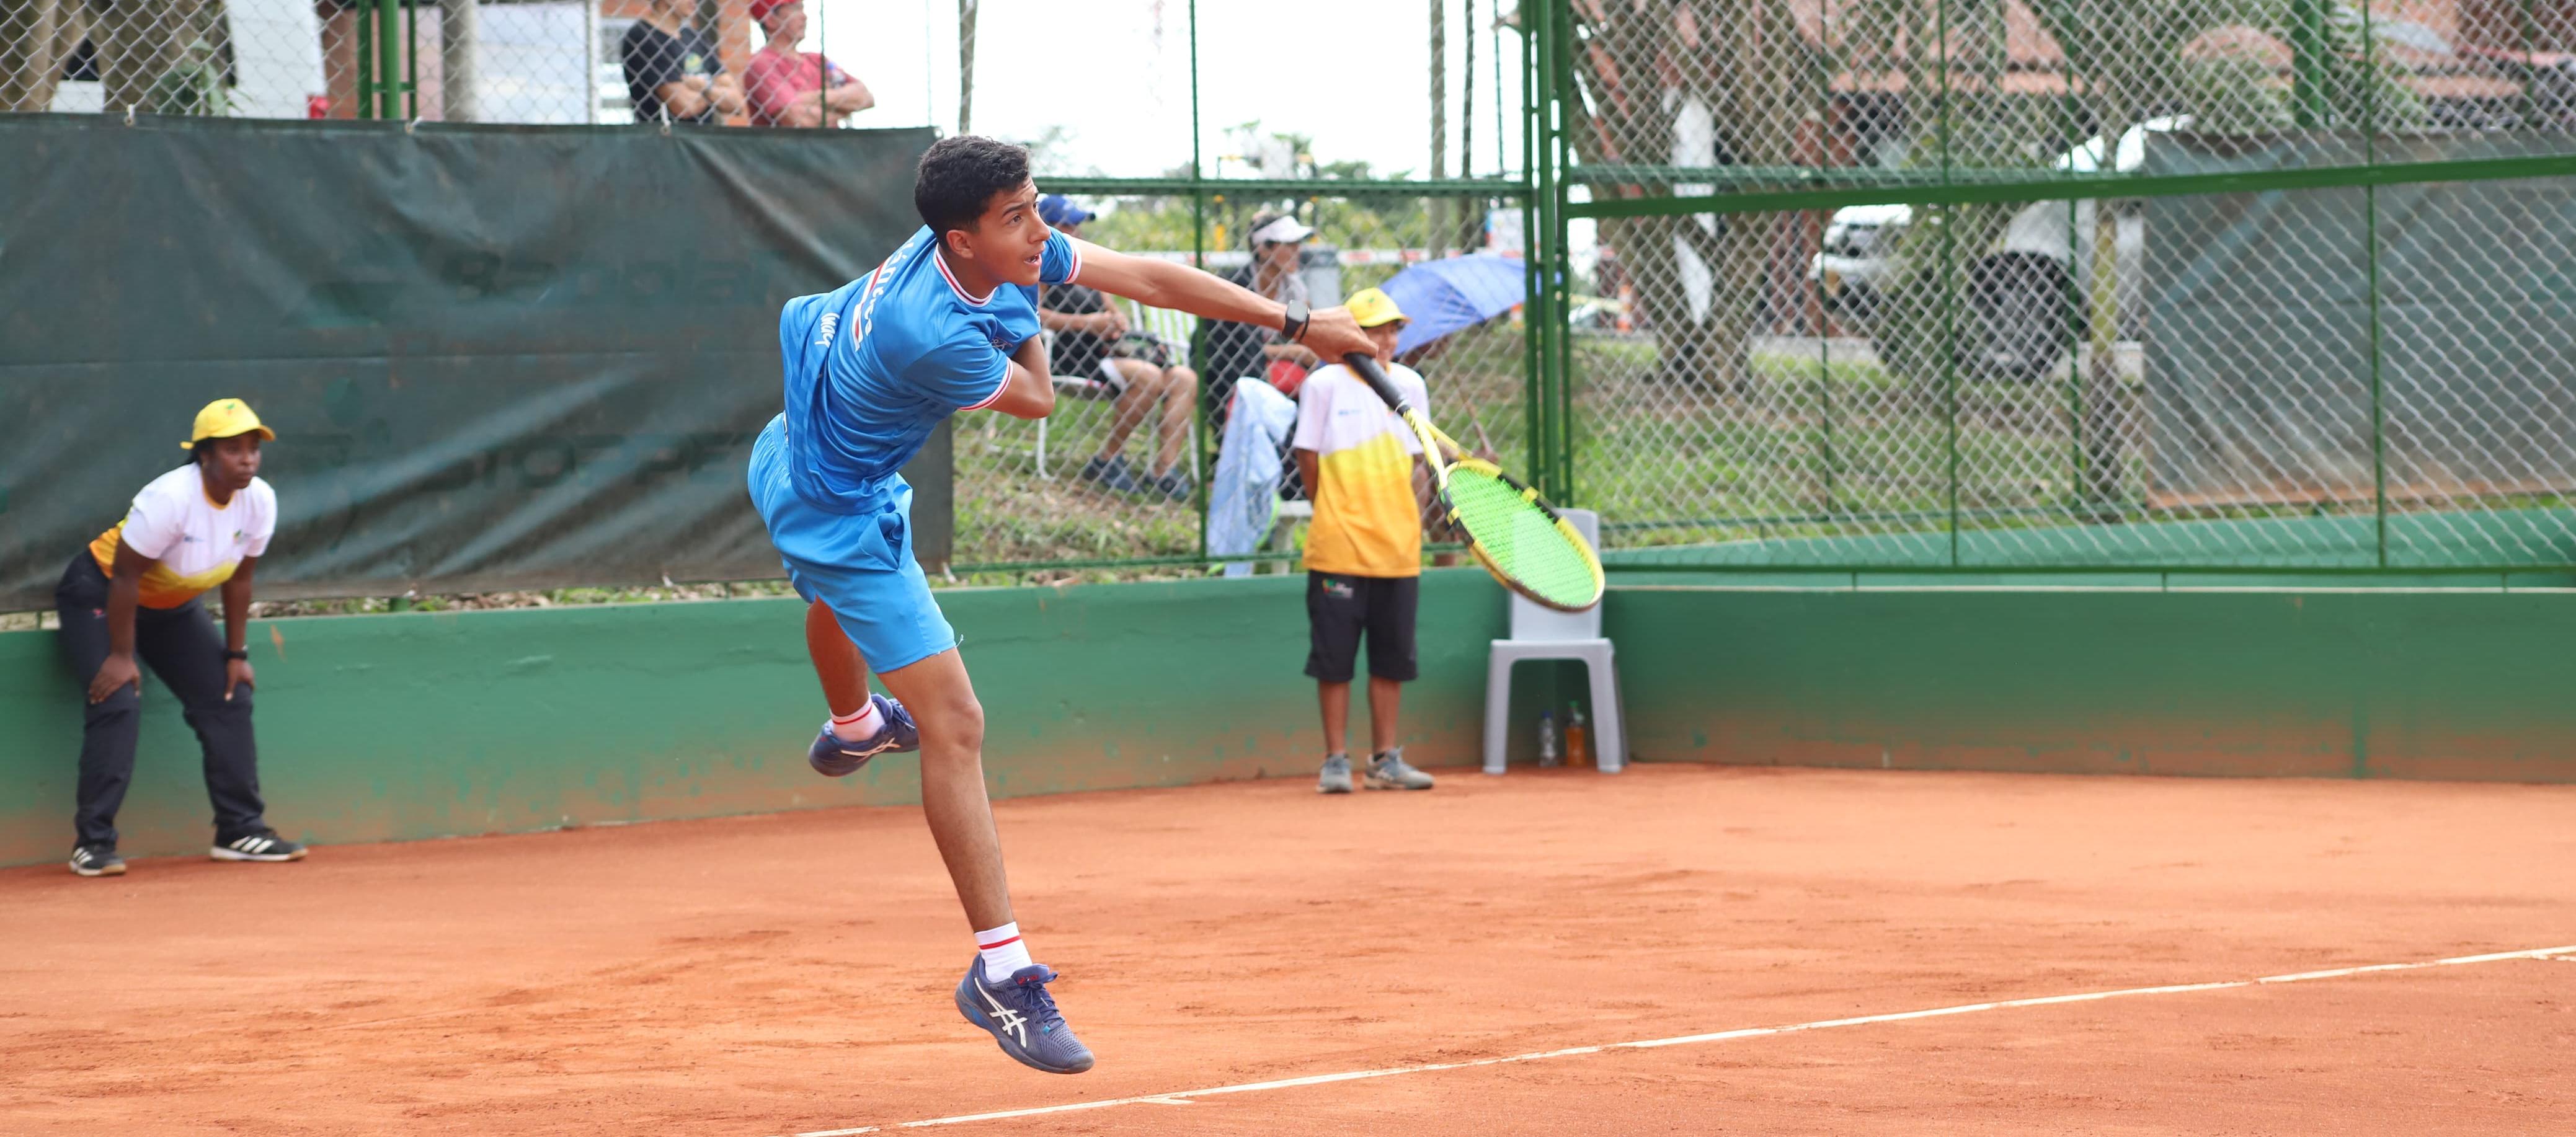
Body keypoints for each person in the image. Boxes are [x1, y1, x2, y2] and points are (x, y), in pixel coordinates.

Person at [747, 135, 1371, 1073]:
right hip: (835, 505)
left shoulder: (978, 241)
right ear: (962, 240)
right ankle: (1000, 972)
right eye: (1018, 219)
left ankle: (854, 724)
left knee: (840, 602)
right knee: (956, 721)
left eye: (1037, 206)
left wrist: (1298, 318)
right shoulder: (932, 333)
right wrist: (1024, 309)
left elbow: (1150, 279)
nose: (1039, 230)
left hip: (793, 446)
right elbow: (1039, 397)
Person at [60, 399, 304, 877]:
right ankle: (93, 843)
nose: (247, 460)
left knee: (230, 695)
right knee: (118, 700)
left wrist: (236, 654)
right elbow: (125, 577)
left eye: (253, 449)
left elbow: (240, 579)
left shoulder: (260, 500)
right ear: (204, 455)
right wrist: (121, 655)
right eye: (233, 449)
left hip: (170, 606)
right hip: (101, 591)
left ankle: (240, 830)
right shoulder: (170, 498)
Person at [1290, 288, 1439, 795]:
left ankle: (1385, 761)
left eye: (1393, 329)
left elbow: (1418, 463)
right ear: (1351, 334)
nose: (1387, 340)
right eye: (1376, 330)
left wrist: (1411, 521)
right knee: (1334, 661)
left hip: (1398, 549)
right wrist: (1330, 509)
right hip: (1339, 548)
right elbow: (1307, 456)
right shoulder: (1323, 384)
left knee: (1392, 659)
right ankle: (1335, 761)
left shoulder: (1412, 385)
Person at [1033, 194, 1199, 500]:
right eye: (1068, 225)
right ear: (1048, 226)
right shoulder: (1041, 264)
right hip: (1070, 356)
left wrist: (1116, 321)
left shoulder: (1084, 264)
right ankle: (1107, 460)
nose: (1076, 231)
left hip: (1110, 353)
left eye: (1077, 225)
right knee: (1147, 376)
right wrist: (1086, 323)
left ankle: (1164, 470)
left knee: (1185, 379)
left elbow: (1111, 309)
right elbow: (1033, 314)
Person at [742, 0, 874, 128]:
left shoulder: (818, 60)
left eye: (803, 8)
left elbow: (866, 97)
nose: (804, 17)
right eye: (795, 9)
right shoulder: (761, 64)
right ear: (771, 20)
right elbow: (801, 120)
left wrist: (810, 98)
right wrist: (843, 107)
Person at [621, 0, 743, 126]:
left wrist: (704, 88)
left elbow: (737, 103)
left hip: (703, 135)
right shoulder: (643, 37)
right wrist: (715, 91)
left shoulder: (694, 37)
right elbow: (685, 106)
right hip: (665, 135)